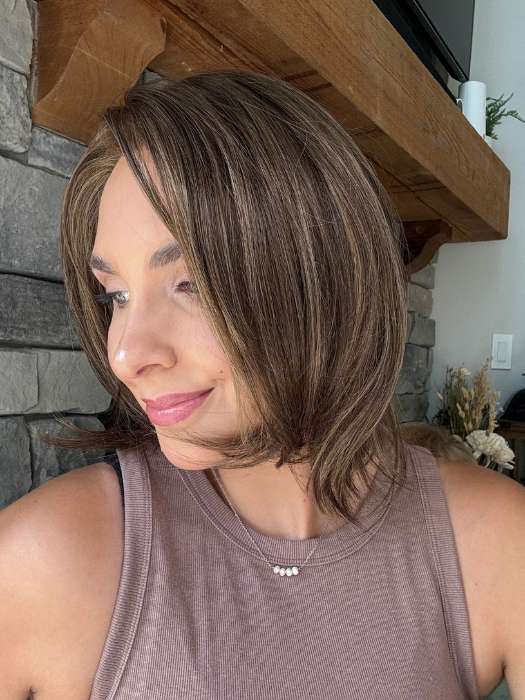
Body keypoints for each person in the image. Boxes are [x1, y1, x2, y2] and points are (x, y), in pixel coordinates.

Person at [1, 69, 524, 700]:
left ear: (327, 276)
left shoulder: (494, 540)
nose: (125, 354)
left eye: (191, 282)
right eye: (116, 294)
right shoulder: (46, 558)